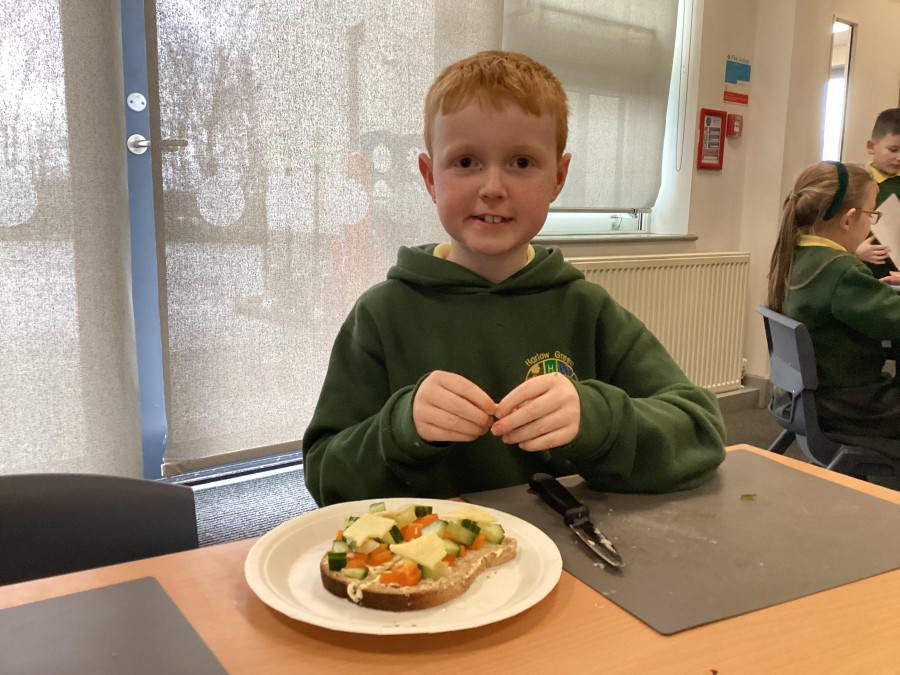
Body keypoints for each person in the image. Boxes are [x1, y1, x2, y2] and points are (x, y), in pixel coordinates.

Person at [302, 50, 726, 506]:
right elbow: (327, 476)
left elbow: (701, 432)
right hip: (426, 548)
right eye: (466, 162)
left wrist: (597, 420)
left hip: (566, 544)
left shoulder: (586, 309)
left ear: (558, 177)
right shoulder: (382, 315)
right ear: (430, 177)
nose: (493, 188)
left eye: (521, 163)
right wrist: (399, 429)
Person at [767, 160, 900, 452]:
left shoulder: (798, 256)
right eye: (872, 214)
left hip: (814, 401)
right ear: (849, 219)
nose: (871, 224)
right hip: (854, 407)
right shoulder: (841, 271)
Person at [855, 108, 900, 279]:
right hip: (866, 273)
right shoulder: (856, 184)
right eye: (893, 149)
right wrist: (855, 251)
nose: (899, 157)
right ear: (871, 147)